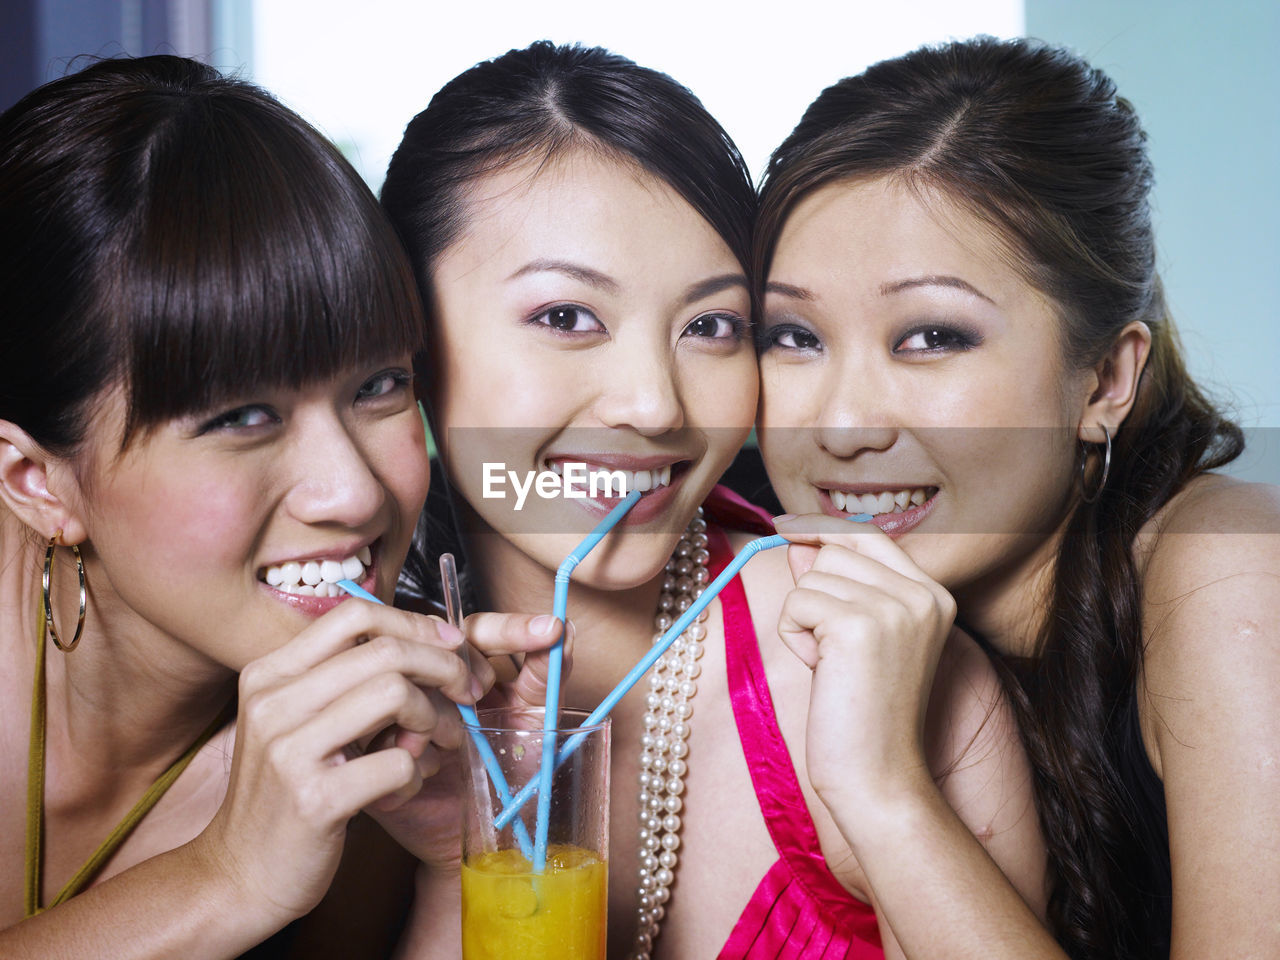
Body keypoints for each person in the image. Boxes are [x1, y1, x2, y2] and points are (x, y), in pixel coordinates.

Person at [381, 41, 1043, 959]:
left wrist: (881, 786)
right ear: (405, 338)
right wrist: (441, 873)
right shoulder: (360, 709)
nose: (654, 405)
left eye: (712, 326)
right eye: (566, 317)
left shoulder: (876, 670)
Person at [0, 55, 560, 958]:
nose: (354, 491)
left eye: (380, 385)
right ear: (37, 481)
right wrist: (224, 878)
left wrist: (459, 862)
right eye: (242, 417)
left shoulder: (372, 755)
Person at [753, 35, 1280, 959]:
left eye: (931, 337)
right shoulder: (783, 583)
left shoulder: (1231, 578)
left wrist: (885, 793)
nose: (839, 424)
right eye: (794, 336)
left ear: (1106, 381)